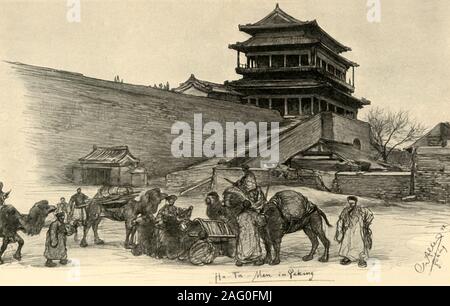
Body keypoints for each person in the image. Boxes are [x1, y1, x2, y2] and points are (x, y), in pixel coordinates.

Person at [335, 195, 374, 268]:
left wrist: (366, 224)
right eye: (350, 203)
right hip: (348, 230)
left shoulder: (361, 209)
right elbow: (341, 219)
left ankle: (361, 259)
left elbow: (370, 215)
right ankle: (348, 257)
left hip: (358, 230)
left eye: (352, 203)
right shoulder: (345, 210)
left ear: (356, 202)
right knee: (347, 243)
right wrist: (340, 229)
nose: (351, 205)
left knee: (359, 243)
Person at [235, 200, 266, 266]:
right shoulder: (254, 214)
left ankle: (241, 260)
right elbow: (261, 223)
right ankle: (256, 259)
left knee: (243, 246)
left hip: (243, 234)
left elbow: (238, 223)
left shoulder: (240, 215)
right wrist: (262, 215)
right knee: (254, 245)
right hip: (252, 233)